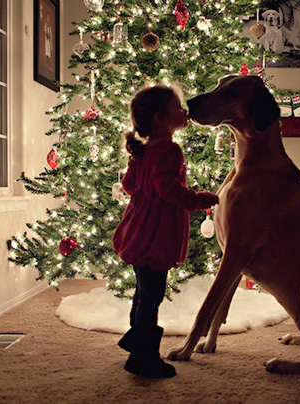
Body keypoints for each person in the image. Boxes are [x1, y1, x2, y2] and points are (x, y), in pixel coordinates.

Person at [112, 85, 219, 378]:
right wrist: (198, 199)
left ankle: (136, 338)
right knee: (152, 294)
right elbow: (168, 189)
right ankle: (143, 356)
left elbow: (129, 186)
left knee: (143, 291)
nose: (184, 111)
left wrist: (143, 181)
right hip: (154, 235)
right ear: (160, 119)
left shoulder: (143, 150)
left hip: (136, 229)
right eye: (178, 107)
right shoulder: (170, 149)